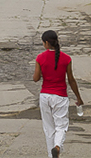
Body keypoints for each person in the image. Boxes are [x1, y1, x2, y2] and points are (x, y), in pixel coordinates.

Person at [34, 30, 84, 158]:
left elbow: (35, 78)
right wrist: (78, 97)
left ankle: (52, 155)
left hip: (45, 96)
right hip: (60, 97)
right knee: (61, 126)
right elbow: (71, 80)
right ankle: (57, 146)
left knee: (49, 129)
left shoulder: (40, 58)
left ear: (46, 43)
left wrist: (41, 71)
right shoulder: (66, 59)